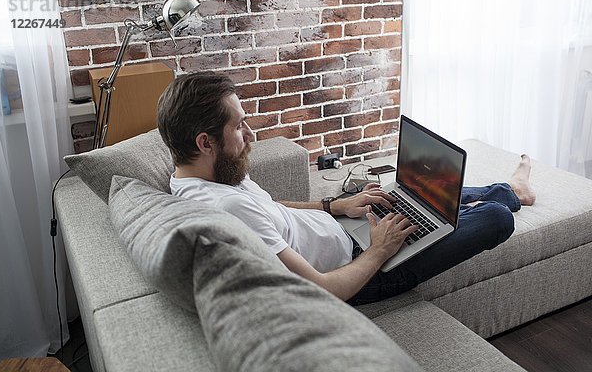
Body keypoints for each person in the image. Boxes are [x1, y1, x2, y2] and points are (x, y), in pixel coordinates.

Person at [157, 71, 536, 305]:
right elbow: (322, 290)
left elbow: (271, 208)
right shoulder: (224, 213)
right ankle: (499, 199)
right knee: (496, 218)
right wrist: (380, 250)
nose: (250, 133)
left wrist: (335, 205)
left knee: (408, 195)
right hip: (364, 273)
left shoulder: (203, 175)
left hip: (347, 231)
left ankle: (508, 188)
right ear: (205, 142)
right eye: (239, 126)